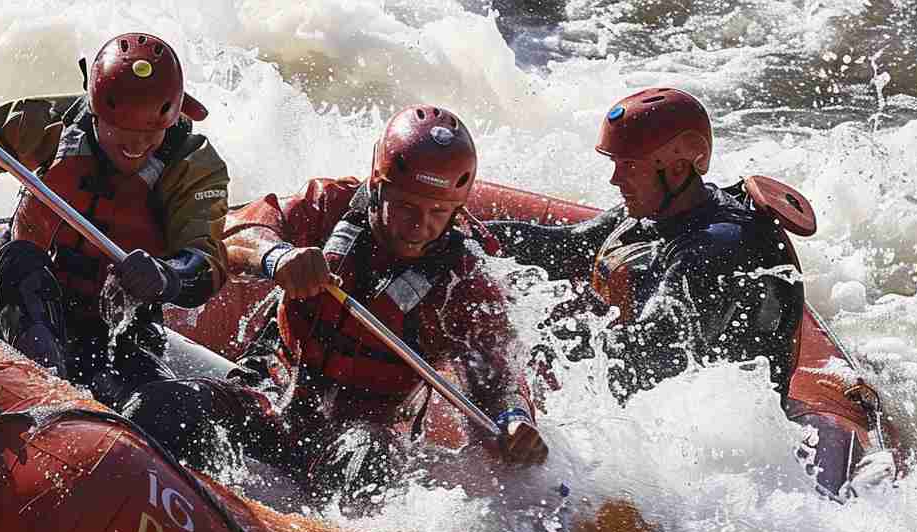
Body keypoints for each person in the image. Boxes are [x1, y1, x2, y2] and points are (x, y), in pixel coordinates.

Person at [122, 105, 547, 509]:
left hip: (360, 433)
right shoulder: (328, 204)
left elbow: (498, 379)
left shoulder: (463, 281)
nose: (420, 228)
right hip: (270, 394)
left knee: (368, 457)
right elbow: (237, 233)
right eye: (405, 207)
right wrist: (277, 258)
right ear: (378, 187)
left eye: (439, 212)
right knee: (158, 408)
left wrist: (512, 419)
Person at [487, 86, 870, 495]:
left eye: (627, 165)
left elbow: (641, 353)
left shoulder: (718, 250)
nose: (615, 178)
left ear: (675, 166)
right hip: (661, 415)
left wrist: (526, 344)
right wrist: (466, 236)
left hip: (716, 453)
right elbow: (561, 246)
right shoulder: (656, 213)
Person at [0, 33, 230, 402]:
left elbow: (203, 261)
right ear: (97, 112)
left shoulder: (193, 166)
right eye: (122, 133)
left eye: (150, 135)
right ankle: (50, 396)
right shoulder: (48, 122)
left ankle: (90, 427)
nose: (136, 147)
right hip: (15, 299)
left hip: (114, 329)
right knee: (18, 259)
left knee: (169, 407)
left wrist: (167, 275)